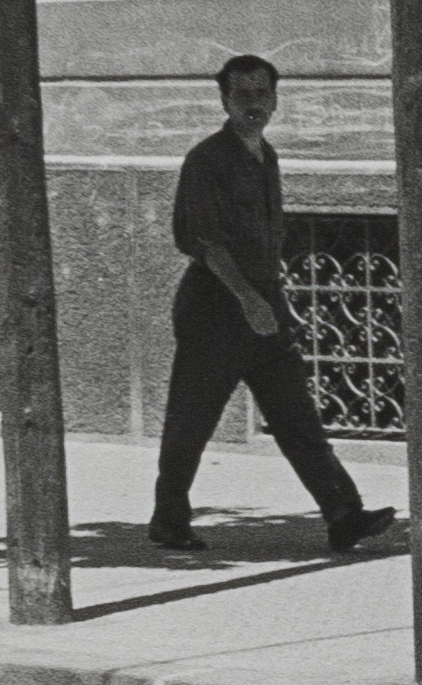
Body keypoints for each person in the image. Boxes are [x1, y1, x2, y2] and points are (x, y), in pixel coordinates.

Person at [149, 55, 399, 558]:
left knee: (297, 418)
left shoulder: (266, 156)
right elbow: (205, 241)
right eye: (243, 95)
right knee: (192, 421)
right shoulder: (207, 160)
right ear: (224, 100)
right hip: (215, 308)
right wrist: (246, 299)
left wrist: (269, 301)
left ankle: (343, 514)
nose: (254, 105)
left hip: (264, 304)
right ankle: (168, 520)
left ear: (275, 99)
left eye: (262, 94)